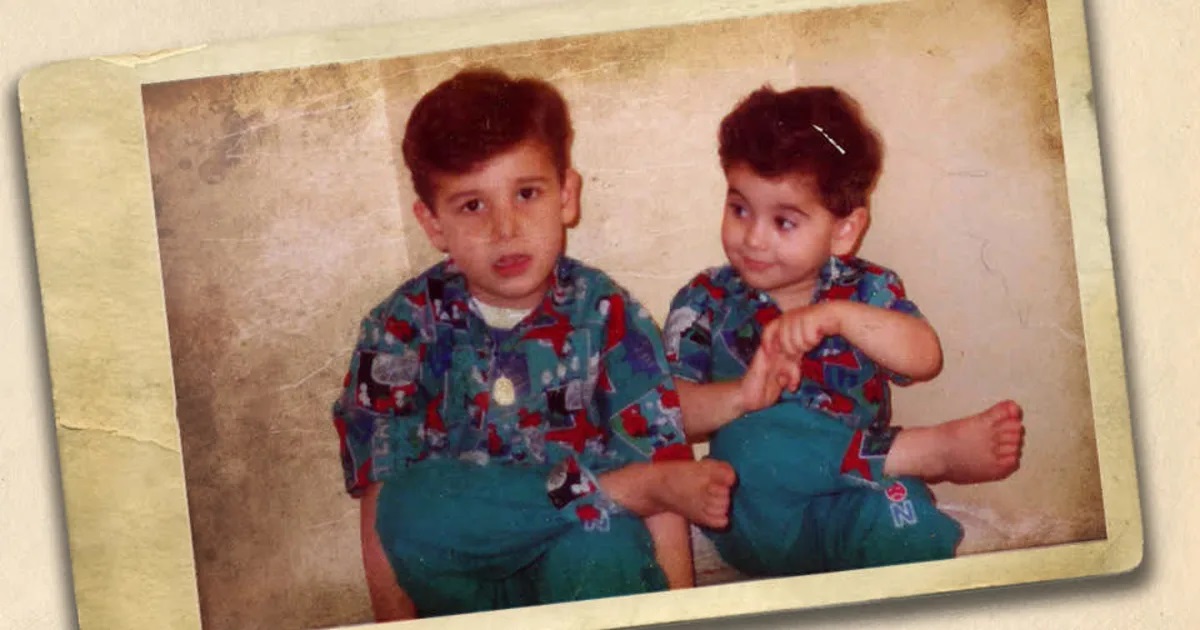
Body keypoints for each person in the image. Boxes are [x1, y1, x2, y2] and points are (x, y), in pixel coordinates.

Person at [331, 68, 735, 620]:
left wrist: (683, 613)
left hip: (587, 568)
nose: (505, 228)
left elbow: (664, 469)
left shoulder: (606, 313)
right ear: (433, 223)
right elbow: (384, 507)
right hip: (468, 591)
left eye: (526, 193)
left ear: (566, 196)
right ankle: (614, 490)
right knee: (405, 505)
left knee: (602, 536)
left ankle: (608, 499)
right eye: (472, 205)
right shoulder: (399, 326)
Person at [663, 84, 1025, 577]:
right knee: (756, 442)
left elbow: (925, 357)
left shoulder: (866, 290)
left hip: (855, 495)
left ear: (844, 231)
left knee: (905, 512)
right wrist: (743, 398)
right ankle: (922, 452)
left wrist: (838, 317)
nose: (752, 237)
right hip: (761, 512)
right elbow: (669, 417)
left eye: (784, 222)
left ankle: (895, 486)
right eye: (740, 209)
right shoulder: (705, 301)